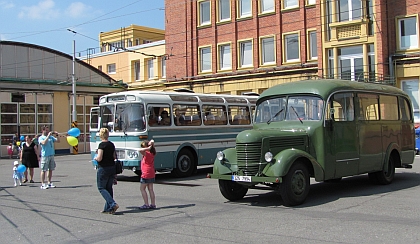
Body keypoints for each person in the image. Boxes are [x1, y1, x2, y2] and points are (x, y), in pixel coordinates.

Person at [94, 128, 119, 214]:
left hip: (103, 168)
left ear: (101, 135)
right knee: (109, 188)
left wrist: (96, 158)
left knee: (101, 188)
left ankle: (112, 204)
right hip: (112, 167)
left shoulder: (101, 145)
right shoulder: (111, 144)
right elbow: (114, 156)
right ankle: (108, 208)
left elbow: (100, 158)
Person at [139, 139, 157, 209]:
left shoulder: (147, 153)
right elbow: (153, 144)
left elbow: (140, 150)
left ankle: (146, 204)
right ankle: (153, 204)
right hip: (151, 172)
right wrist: (151, 145)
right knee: (150, 189)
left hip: (146, 173)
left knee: (142, 188)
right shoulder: (153, 153)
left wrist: (147, 148)